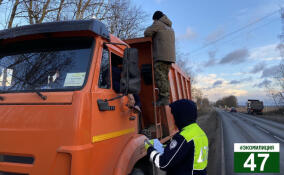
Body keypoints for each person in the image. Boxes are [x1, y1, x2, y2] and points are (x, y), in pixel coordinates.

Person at [145, 99, 208, 175]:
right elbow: (182, 151)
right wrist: (158, 145)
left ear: (181, 116)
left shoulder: (184, 137)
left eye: (174, 115)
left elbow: (163, 163)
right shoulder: (200, 132)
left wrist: (149, 148)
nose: (174, 118)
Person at [144, 11, 176, 106]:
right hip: (169, 57)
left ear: (156, 18)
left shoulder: (158, 24)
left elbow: (147, 33)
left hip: (161, 55)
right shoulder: (170, 28)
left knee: (159, 76)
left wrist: (154, 24)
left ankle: (164, 98)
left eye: (153, 20)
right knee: (164, 77)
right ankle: (164, 97)